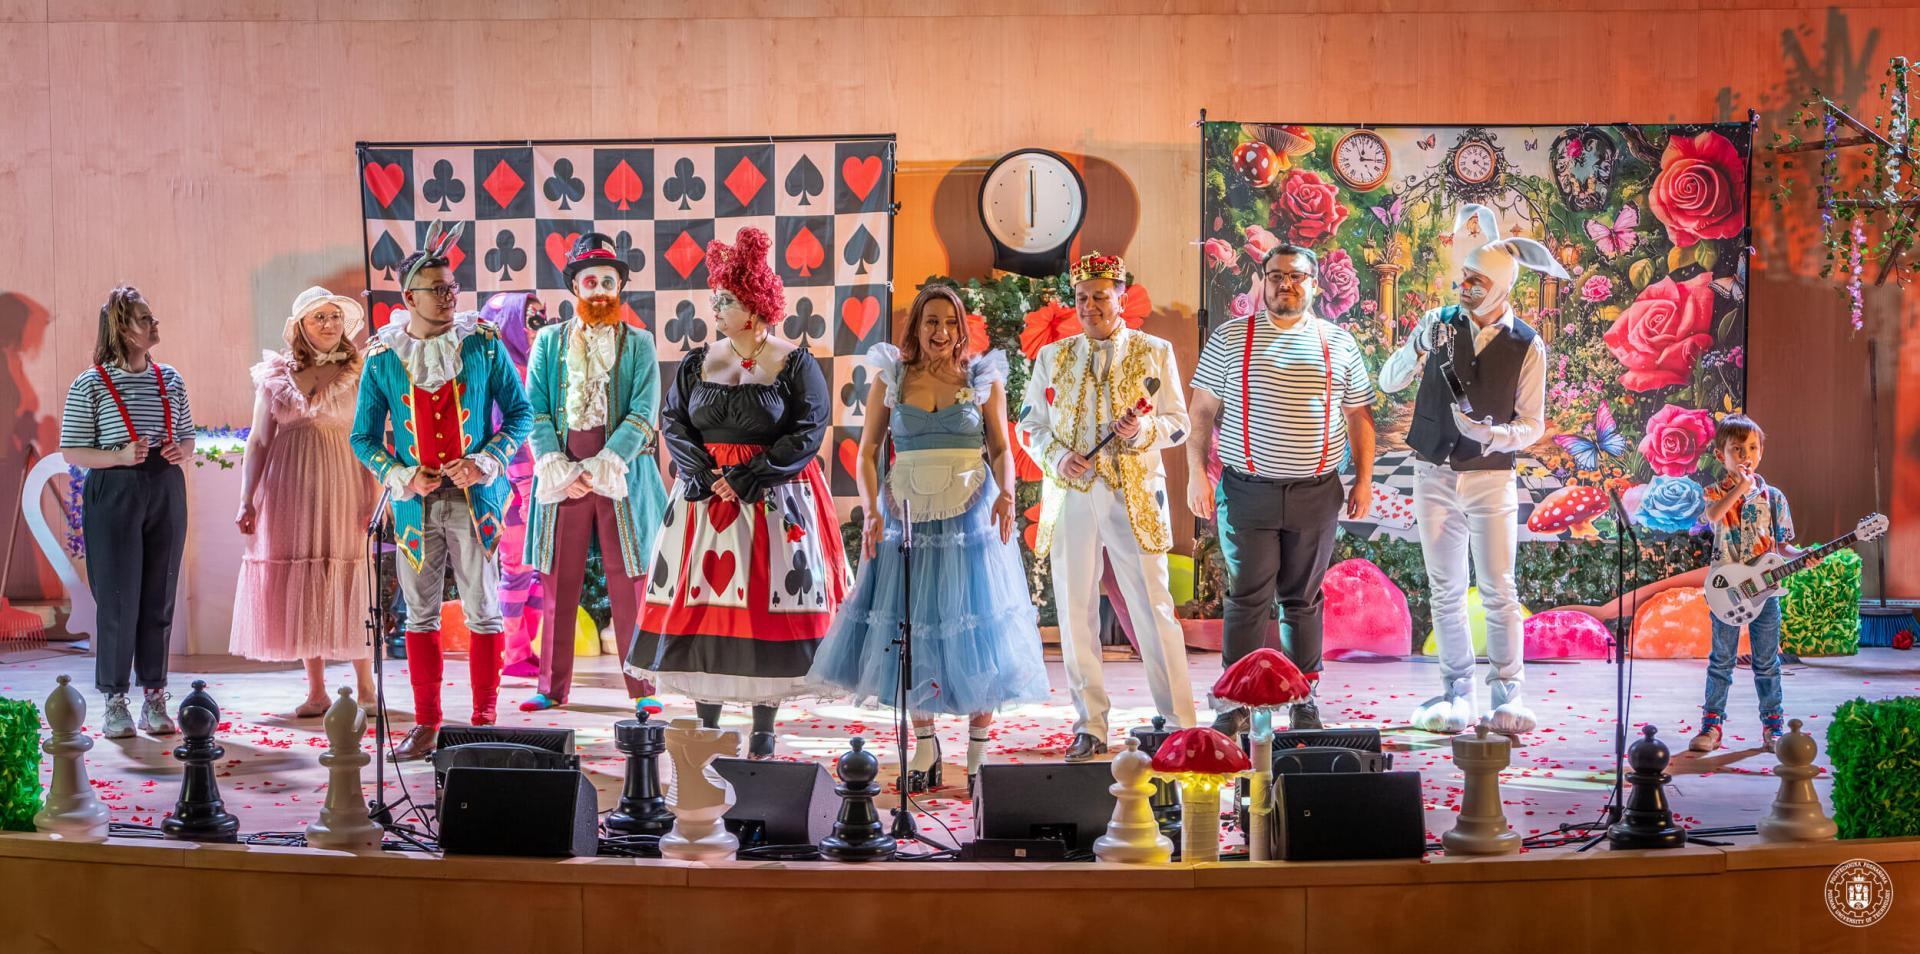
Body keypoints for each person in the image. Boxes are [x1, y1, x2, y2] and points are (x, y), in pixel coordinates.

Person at [810, 285, 1050, 790]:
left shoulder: (982, 378)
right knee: (912, 625)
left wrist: (1007, 494)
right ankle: (925, 746)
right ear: (916, 327)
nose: (941, 332)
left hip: (972, 517)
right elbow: (868, 450)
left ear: (961, 328)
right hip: (906, 513)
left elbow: (1001, 449)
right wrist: (872, 510)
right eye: (931, 322)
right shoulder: (892, 378)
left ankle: (978, 752)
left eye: (950, 322)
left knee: (978, 630)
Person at [627, 227, 849, 759]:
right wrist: (704, 474)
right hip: (706, 502)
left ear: (754, 307)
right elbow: (674, 422)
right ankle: (707, 722)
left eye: (725, 300)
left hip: (772, 499)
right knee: (707, 605)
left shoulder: (794, 363)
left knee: (762, 604)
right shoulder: (698, 361)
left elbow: (808, 431)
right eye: (716, 299)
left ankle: (763, 728)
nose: (716, 308)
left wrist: (750, 475)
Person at [350, 222, 533, 760]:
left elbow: (520, 414)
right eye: (437, 289)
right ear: (409, 298)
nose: (450, 296)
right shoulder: (383, 356)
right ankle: (427, 723)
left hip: (475, 500)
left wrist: (486, 460)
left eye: (452, 287)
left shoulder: (482, 344)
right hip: (413, 504)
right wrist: (400, 473)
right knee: (419, 615)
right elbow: (362, 437)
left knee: (484, 612)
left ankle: (483, 722)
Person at [1379, 206, 1561, 736]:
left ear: (1501, 285)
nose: (1465, 287)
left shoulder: (1527, 344)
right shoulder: (1438, 323)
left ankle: (1509, 696)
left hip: (1492, 479)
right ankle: (1456, 693)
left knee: (1500, 589)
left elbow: (1532, 423)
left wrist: (1493, 436)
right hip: (1433, 473)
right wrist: (1415, 345)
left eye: (1477, 280)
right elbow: (1388, 382)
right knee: (1446, 589)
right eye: (1463, 277)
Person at [1187, 244, 1375, 734]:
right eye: (1276, 276)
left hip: (1316, 491)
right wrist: (1195, 474)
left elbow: (1358, 416)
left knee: (1302, 598)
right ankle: (1234, 700)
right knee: (1247, 597)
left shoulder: (1339, 343)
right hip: (1247, 492)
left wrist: (1364, 479)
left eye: (1296, 276)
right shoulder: (1230, 338)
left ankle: (1303, 697)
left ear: (1314, 284)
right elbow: (1201, 412)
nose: (1285, 284)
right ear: (1263, 280)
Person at [1018, 252, 1196, 762]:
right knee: (1075, 609)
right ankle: (1090, 723)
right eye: (1082, 298)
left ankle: (1179, 723)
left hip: (1133, 494)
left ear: (1120, 296)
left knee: (1153, 605)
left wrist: (1142, 430)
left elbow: (1179, 424)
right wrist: (1057, 456)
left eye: (1100, 296)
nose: (1090, 306)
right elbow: (1030, 424)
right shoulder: (1053, 356)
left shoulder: (1155, 351)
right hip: (1071, 494)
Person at [518, 234, 669, 714]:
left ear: (619, 288)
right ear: (575, 288)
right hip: (563, 475)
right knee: (557, 580)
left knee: (630, 580)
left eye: (608, 281)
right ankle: (550, 687)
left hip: (620, 475)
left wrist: (606, 462)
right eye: (591, 281)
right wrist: (559, 466)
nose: (600, 290)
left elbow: (644, 411)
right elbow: (535, 409)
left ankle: (642, 689)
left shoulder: (640, 343)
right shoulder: (549, 342)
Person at [230, 286, 377, 716]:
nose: (329, 324)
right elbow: (259, 440)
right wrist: (246, 499)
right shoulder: (275, 376)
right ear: (300, 327)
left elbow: (370, 434)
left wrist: (374, 493)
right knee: (303, 577)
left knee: (347, 574)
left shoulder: (359, 371)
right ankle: (316, 691)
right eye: (319, 317)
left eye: (335, 316)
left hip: (345, 484)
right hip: (289, 489)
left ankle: (366, 686)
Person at [58, 285, 196, 739]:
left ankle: (154, 696)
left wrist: (181, 450)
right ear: (121, 328)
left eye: (152, 317)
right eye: (144, 319)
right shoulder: (91, 383)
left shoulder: (170, 379)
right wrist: (117, 456)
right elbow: (73, 450)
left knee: (160, 595)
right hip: (114, 489)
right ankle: (115, 700)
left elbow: (188, 437)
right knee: (118, 598)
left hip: (164, 487)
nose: (154, 325)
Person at [1691, 415, 1800, 754]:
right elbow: (1713, 516)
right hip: (1726, 588)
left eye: (1752, 448)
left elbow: (1783, 546)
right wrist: (1740, 486)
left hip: (1765, 590)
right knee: (1721, 660)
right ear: (1720, 454)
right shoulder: (1715, 492)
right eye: (1736, 449)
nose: (1745, 456)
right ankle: (1711, 725)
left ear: (1761, 452)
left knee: (1766, 662)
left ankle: (1773, 726)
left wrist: (1803, 555)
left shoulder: (1774, 498)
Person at [481, 290, 549, 679]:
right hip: (512, 489)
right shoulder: (504, 370)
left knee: (536, 569)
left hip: (538, 484)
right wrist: (524, 488)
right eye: (530, 318)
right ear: (508, 323)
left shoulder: (529, 365)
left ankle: (523, 648)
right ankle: (515, 651)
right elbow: (507, 433)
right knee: (519, 568)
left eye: (542, 317)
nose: (538, 326)